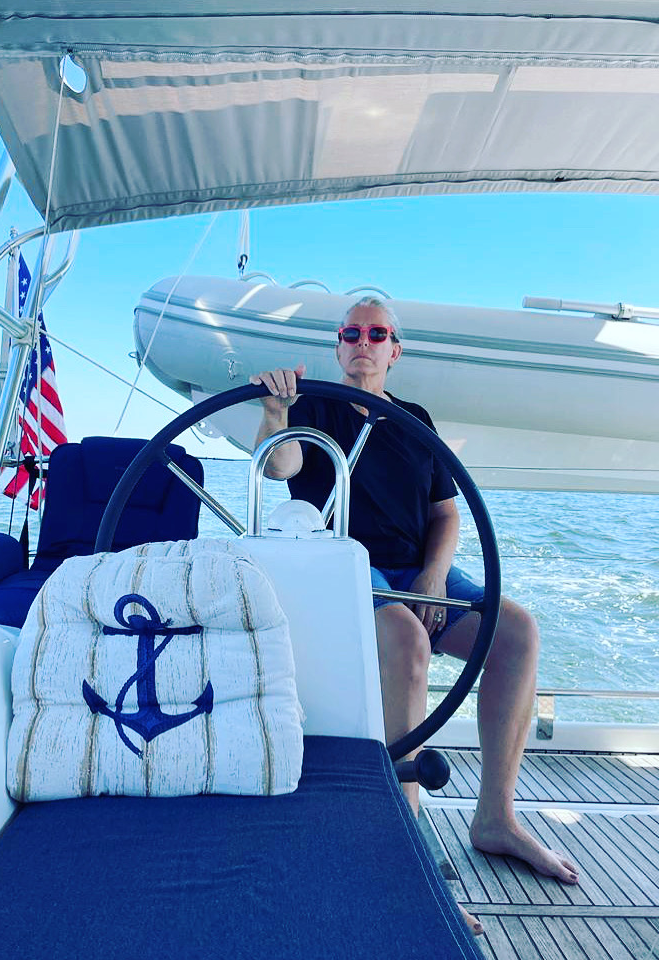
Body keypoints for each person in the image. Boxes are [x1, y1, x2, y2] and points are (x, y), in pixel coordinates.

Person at [250, 297, 579, 936]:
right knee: (403, 633)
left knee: (515, 632)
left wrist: (432, 576)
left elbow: (446, 514)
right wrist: (275, 412)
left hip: (412, 569)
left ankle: (496, 820)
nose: (363, 342)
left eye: (377, 333)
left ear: (394, 350)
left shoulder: (415, 420)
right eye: (351, 333)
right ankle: (407, 853)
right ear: (339, 347)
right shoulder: (310, 404)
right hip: (344, 564)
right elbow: (281, 465)